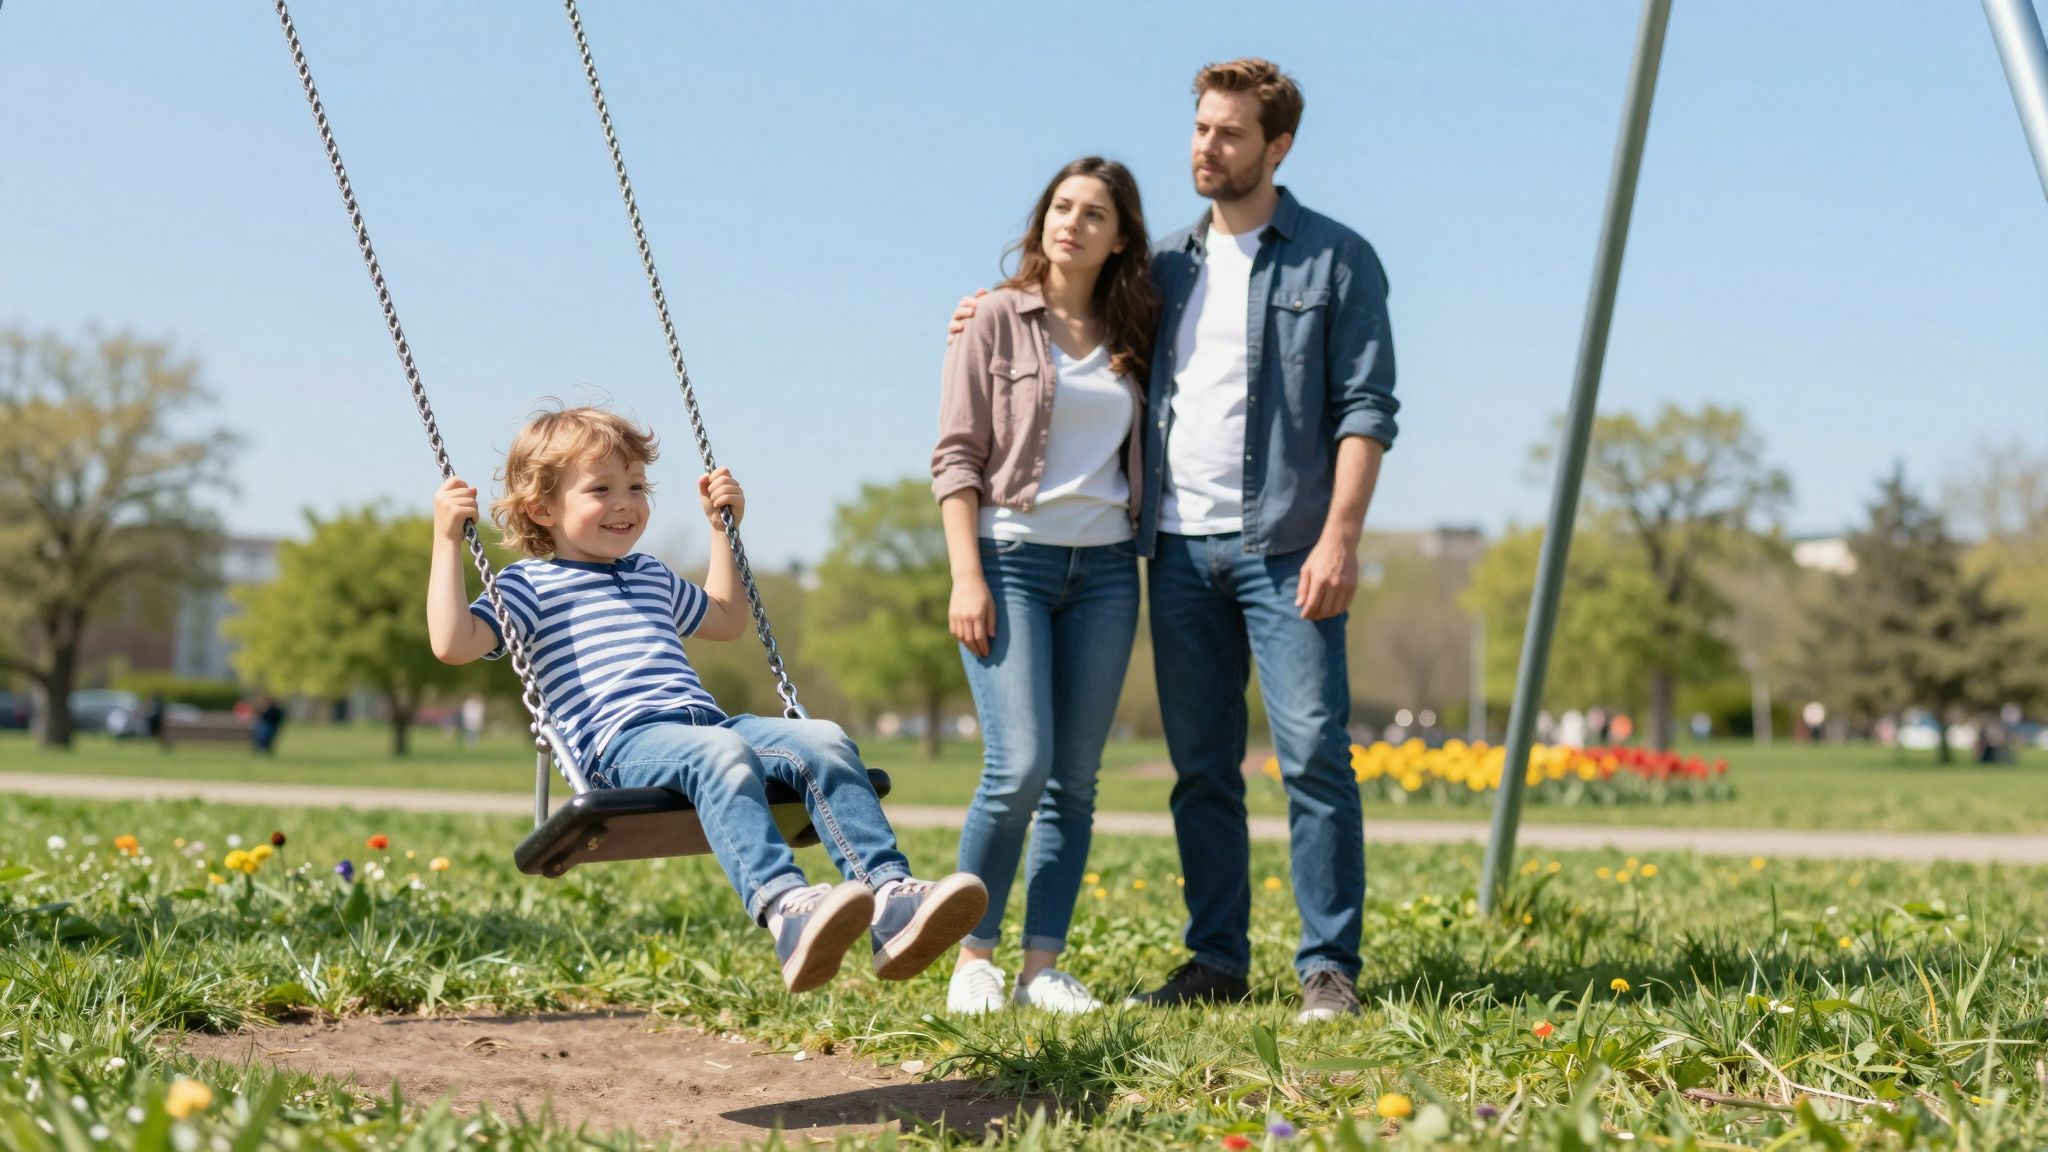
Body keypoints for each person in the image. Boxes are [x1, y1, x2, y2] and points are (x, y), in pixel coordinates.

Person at [950, 58, 1398, 1023]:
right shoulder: (1162, 272)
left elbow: (1367, 409)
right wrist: (982, 313)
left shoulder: (1337, 260)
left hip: (1287, 546)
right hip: (1175, 550)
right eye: (1200, 128)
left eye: (1230, 133)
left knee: (1315, 752)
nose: (1207, 147)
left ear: (1277, 147)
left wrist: (1340, 539)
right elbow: (1056, 314)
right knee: (1202, 767)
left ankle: (1328, 967)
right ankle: (1217, 959)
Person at [425, 406, 987, 994]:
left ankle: (890, 899)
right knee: (718, 751)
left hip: (708, 725)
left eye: (637, 486)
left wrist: (723, 531)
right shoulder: (526, 584)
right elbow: (453, 643)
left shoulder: (649, 573)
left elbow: (722, 619)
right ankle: (786, 909)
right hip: (622, 745)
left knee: (821, 738)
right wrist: (446, 543)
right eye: (602, 489)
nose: (625, 502)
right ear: (543, 507)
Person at [932, 158, 1157, 1015]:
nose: (1072, 223)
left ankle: (1042, 968)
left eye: (1094, 214)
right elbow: (956, 456)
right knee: (1017, 764)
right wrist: (966, 573)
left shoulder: (1140, 327)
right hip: (1009, 560)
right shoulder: (992, 318)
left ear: (1120, 236)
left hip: (1105, 571)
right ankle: (972, 958)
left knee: (1075, 780)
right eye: (1061, 207)